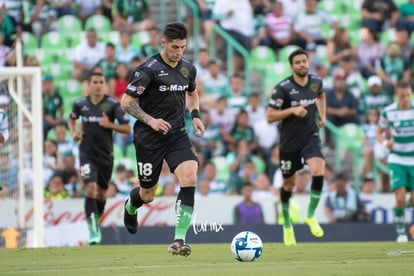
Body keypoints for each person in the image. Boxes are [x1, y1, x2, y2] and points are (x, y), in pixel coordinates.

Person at [120, 22, 205, 257]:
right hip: (149, 137)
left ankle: (179, 240)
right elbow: (126, 102)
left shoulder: (188, 68)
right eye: (174, 47)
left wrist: (195, 116)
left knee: (189, 177)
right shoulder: (147, 70)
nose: (178, 52)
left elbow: (192, 93)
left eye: (183, 47)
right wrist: (150, 120)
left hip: (177, 134)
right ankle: (130, 205)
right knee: (148, 194)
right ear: (163, 43)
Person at [266, 48, 326, 247]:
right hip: (289, 143)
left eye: (304, 61)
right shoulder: (282, 88)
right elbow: (269, 116)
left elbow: (321, 95)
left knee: (318, 171)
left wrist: (322, 115)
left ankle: (310, 216)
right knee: (288, 185)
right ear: (292, 67)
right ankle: (287, 225)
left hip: (310, 137)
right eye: (298, 62)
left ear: (308, 63)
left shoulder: (316, 82)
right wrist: (292, 110)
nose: (302, 65)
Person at [68, 71, 131, 245]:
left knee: (102, 194)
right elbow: (71, 119)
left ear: (104, 84)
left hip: (105, 156)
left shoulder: (112, 105)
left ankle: (96, 220)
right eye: (94, 82)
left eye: (100, 82)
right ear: (89, 84)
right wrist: (74, 132)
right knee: (90, 188)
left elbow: (127, 129)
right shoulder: (80, 104)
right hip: (86, 153)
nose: (97, 85)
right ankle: (93, 231)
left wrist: (109, 124)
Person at [376, 81, 414, 243]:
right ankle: (401, 233)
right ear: (396, 95)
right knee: (399, 198)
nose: (405, 98)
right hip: (397, 158)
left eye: (407, 95)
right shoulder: (388, 112)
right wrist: (385, 143)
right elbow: (378, 132)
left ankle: (404, 211)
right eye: (402, 95)